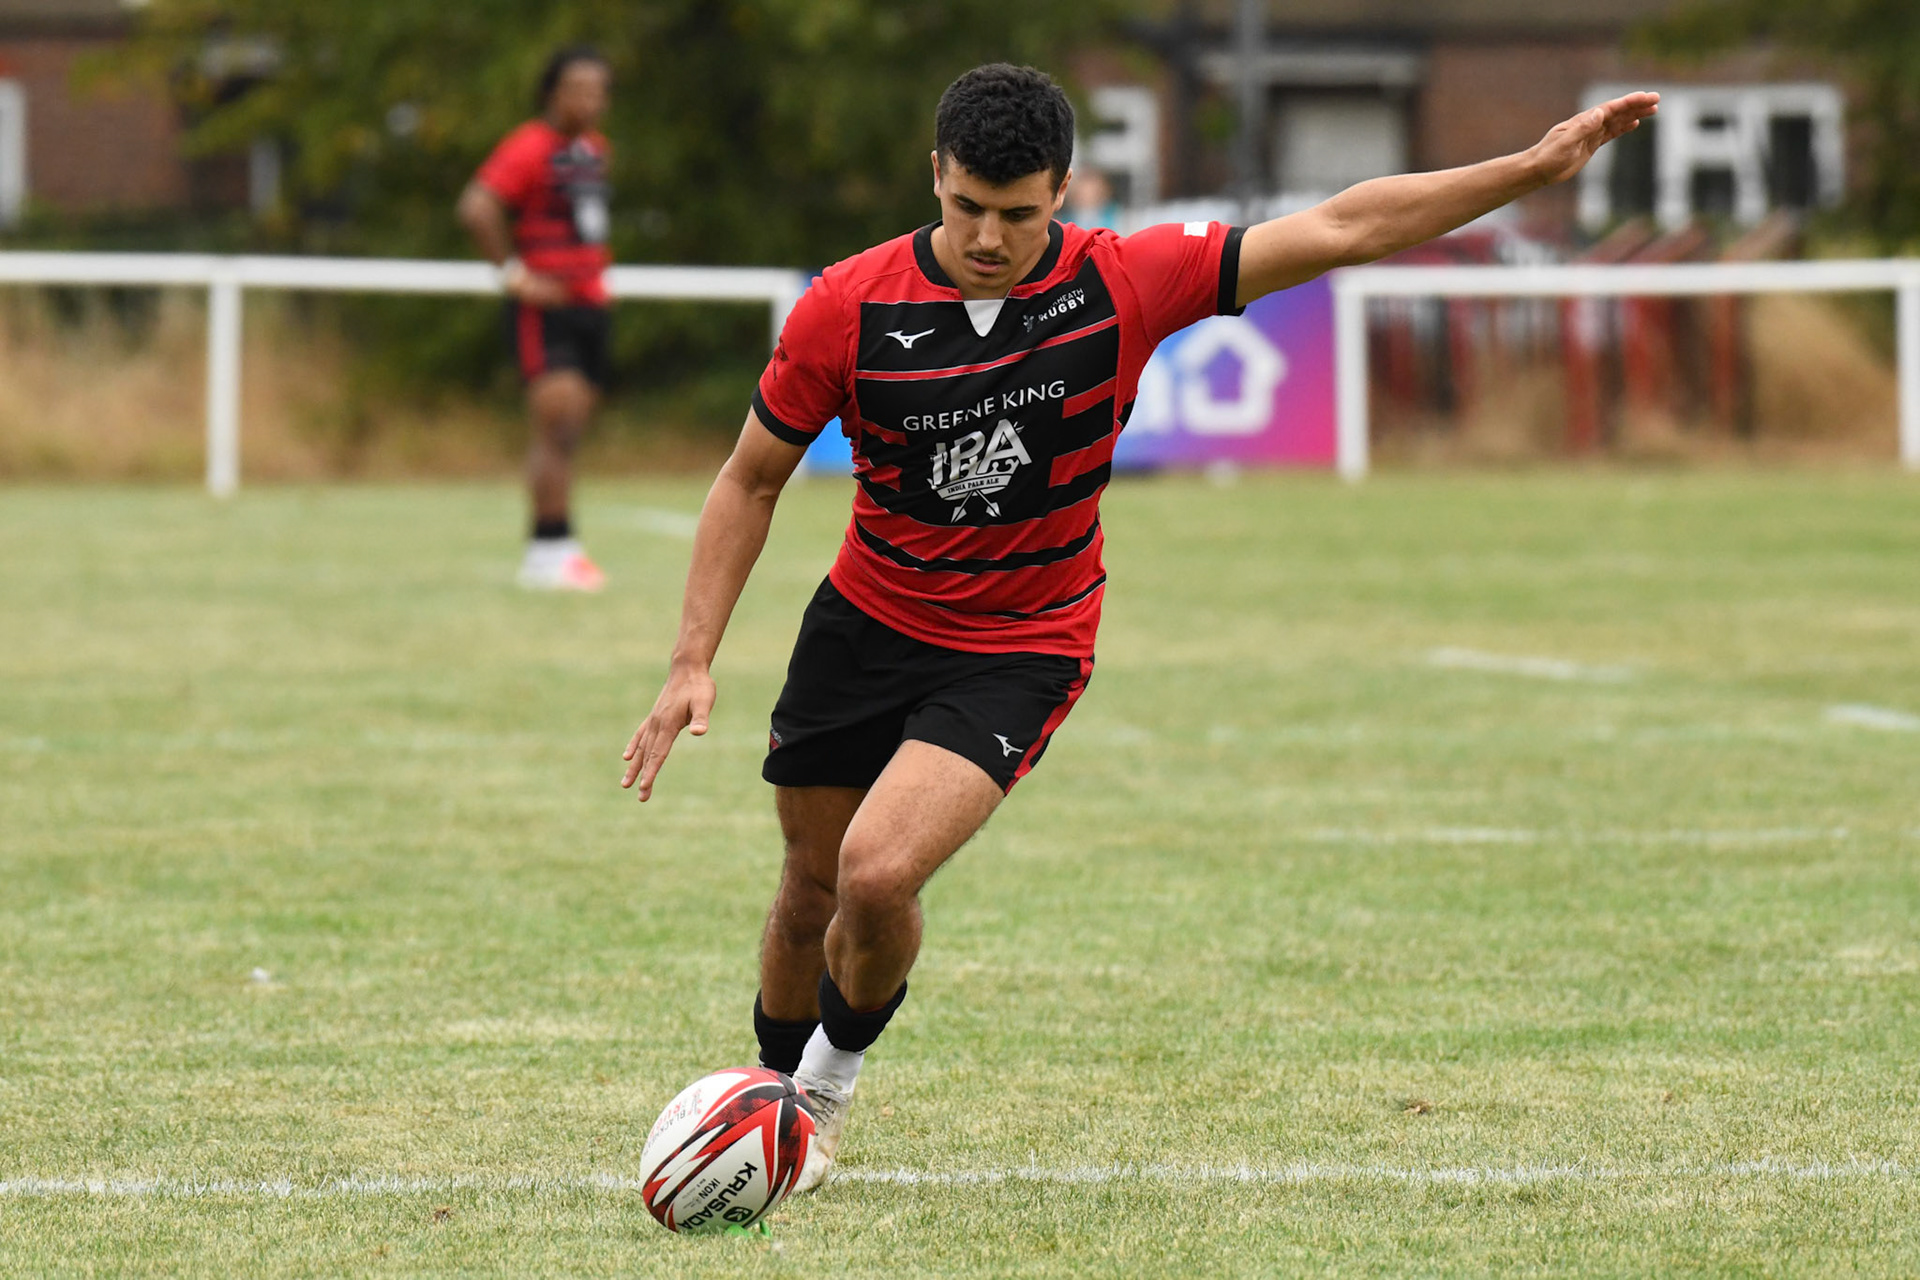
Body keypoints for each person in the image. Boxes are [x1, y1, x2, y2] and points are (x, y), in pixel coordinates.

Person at [620, 64, 1657, 1191]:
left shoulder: (1124, 280)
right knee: (808, 888)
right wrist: (690, 658)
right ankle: (761, 1107)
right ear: (935, 176)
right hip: (864, 622)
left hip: (1023, 638)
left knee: (876, 876)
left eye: (1018, 213)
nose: (988, 236)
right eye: (967, 205)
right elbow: (751, 478)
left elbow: (1348, 224)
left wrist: (1532, 166)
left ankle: (816, 1096)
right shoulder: (848, 305)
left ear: (1064, 192)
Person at [458, 46, 615, 592]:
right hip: (546, 311)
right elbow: (477, 206)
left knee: (572, 429)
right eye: (580, 89)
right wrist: (514, 274)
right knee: (556, 421)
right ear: (554, 92)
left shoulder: (594, 150)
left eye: (599, 90)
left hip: (590, 304)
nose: (591, 101)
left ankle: (555, 546)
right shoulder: (529, 147)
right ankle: (550, 547)